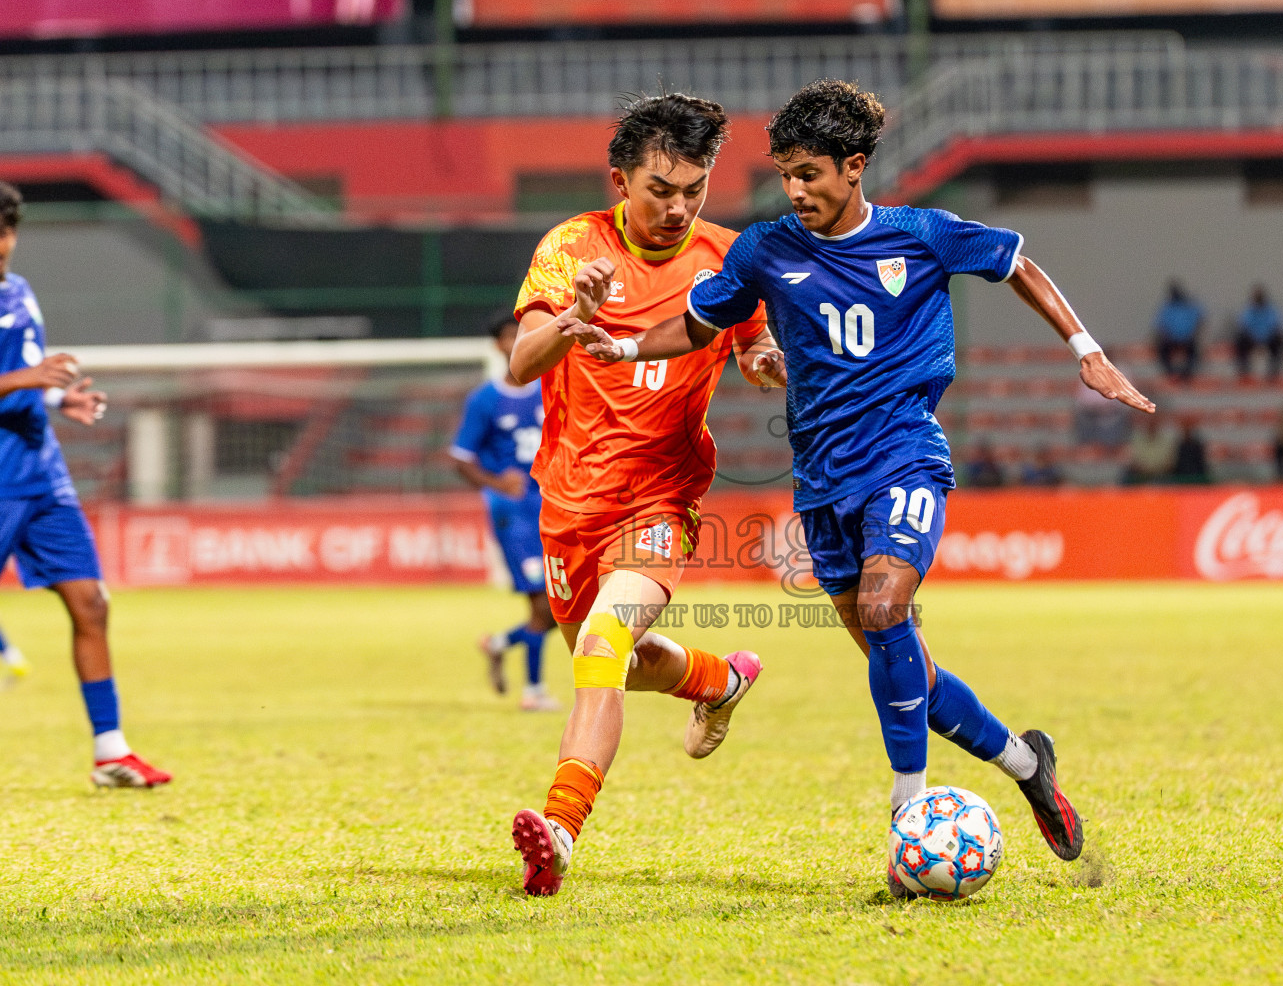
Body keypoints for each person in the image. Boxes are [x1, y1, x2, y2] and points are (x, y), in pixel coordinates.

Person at [561, 79, 1155, 891]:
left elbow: (1018, 262)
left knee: (885, 610)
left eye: (809, 173)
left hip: (905, 455)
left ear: (854, 166)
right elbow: (697, 323)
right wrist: (621, 350)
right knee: (898, 656)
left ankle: (906, 819)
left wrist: (1085, 348)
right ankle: (1027, 765)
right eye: (786, 175)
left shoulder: (922, 234)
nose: (795, 190)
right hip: (822, 481)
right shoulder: (766, 250)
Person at [502, 95, 786, 897]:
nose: (678, 207)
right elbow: (523, 364)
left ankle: (559, 830)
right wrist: (575, 318)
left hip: (660, 499)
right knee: (613, 661)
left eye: (694, 189)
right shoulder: (570, 248)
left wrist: (765, 364)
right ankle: (717, 681)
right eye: (661, 188)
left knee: (602, 644)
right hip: (568, 504)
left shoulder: (728, 258)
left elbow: (754, 342)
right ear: (619, 179)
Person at [0, 181, 171, 788]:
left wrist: (57, 395)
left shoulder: (19, 292)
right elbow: (15, 374)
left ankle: (110, 751)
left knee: (92, 603)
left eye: (7, 229)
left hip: (41, 474)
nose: (2, 243)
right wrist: (25, 378)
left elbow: (25, 375)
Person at [449, 310, 560, 710]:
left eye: (524, 334)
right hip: (513, 513)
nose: (517, 342)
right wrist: (498, 484)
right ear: (498, 346)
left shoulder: (551, 387)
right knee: (543, 604)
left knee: (562, 605)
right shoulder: (485, 400)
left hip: (552, 504)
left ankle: (499, 644)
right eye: (510, 336)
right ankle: (533, 691)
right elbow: (460, 458)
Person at [1232, 284, 1283, 382]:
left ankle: (1273, 373)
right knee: (1240, 341)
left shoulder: (1271, 310)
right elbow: (1244, 327)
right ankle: (1244, 372)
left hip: (1269, 339)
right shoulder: (1248, 311)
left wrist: (1265, 340)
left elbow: (1276, 326)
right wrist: (1254, 340)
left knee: (1279, 341)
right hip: (1251, 340)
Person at [1153, 280, 1203, 382]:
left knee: (1193, 354)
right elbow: (1160, 326)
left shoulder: (1189, 307)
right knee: (1163, 352)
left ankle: (1186, 375)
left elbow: (1200, 321)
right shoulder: (1167, 308)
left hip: (1187, 340)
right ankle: (1172, 374)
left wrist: (1194, 334)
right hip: (1171, 340)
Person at [1121, 411, 1178, 485]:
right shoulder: (1135, 439)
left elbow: (1170, 463)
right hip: (1139, 477)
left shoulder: (1168, 439)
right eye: (1149, 420)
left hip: (1162, 477)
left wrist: (1155, 472)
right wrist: (1144, 472)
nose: (1152, 423)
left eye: (1154, 420)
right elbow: (1133, 461)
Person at [1169, 415, 1211, 484]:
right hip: (1180, 478)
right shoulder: (1179, 445)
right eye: (1185, 428)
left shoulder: (1197, 445)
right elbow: (1176, 464)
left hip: (1196, 477)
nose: (1187, 430)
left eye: (1188, 428)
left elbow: (1201, 464)